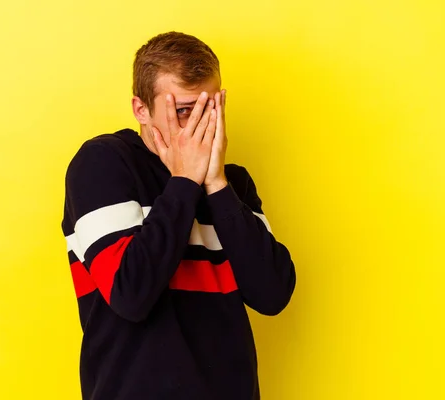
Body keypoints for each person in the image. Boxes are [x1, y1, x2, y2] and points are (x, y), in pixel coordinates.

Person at [61, 31, 296, 400]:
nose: (200, 125)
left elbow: (272, 295)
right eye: (184, 111)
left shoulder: (231, 184)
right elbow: (130, 294)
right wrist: (185, 179)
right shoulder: (103, 164)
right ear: (141, 109)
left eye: (210, 108)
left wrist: (215, 183)